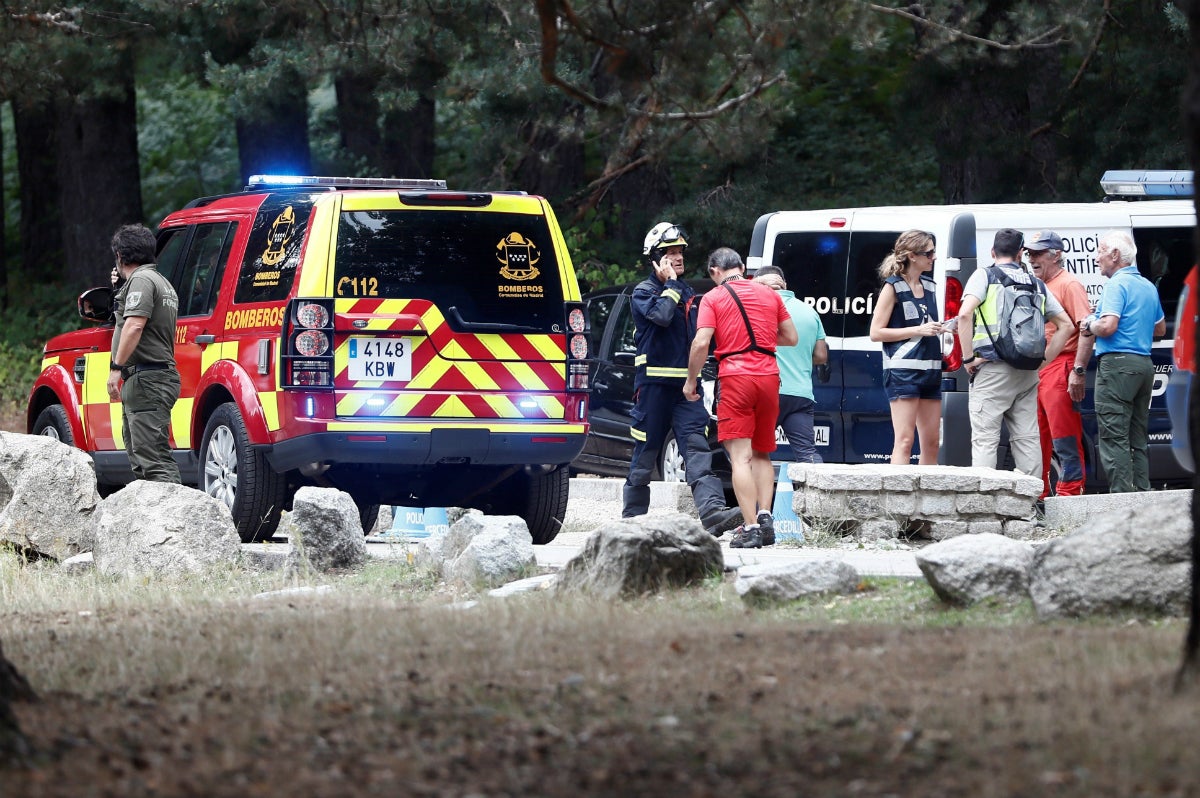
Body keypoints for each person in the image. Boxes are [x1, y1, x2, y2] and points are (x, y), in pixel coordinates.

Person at [622, 222, 741, 536]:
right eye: (670, 253)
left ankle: (713, 513)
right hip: (653, 389)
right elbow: (661, 317)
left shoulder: (687, 292)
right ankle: (632, 524)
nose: (677, 257)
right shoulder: (644, 291)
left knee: (697, 449)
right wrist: (672, 286)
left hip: (687, 390)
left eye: (680, 252)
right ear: (656, 260)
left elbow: (699, 337)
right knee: (645, 454)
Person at [684, 248, 797, 549]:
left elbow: (701, 342)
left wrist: (691, 380)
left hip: (735, 377)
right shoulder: (768, 294)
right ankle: (765, 516)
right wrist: (759, 340)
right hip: (770, 376)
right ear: (742, 267)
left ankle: (749, 529)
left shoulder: (713, 298)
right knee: (762, 452)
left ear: (714, 272)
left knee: (740, 457)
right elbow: (790, 337)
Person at [956, 228, 1073, 475]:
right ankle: (1029, 504)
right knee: (1027, 438)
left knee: (986, 438)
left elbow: (965, 314)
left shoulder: (985, 276)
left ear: (992, 252)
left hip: (991, 368)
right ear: (1021, 253)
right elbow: (1066, 325)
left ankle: (985, 505)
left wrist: (967, 358)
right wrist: (1044, 361)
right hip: (1026, 372)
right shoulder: (1036, 283)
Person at [1077, 230, 1166, 493]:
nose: (1096, 258)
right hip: (1144, 364)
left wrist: (1089, 323)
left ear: (1115, 255)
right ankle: (1142, 492)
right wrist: (1135, 328)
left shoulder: (1116, 284)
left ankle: (1122, 499)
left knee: (1114, 434)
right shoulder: (1148, 286)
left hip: (1117, 365)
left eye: (1101, 251)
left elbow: (1107, 326)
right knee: (1138, 435)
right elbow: (1160, 330)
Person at [106, 223, 182, 483]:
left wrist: (116, 368)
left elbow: (135, 324)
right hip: (150, 378)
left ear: (120, 256)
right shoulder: (159, 281)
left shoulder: (141, 280)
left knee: (154, 462)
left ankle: (175, 521)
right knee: (143, 458)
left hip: (149, 379)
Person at [868, 230, 947, 465]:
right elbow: (876, 333)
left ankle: (927, 500)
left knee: (932, 443)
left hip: (931, 371)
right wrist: (917, 331)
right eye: (929, 253)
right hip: (903, 373)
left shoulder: (930, 286)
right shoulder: (892, 287)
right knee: (904, 440)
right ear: (912, 256)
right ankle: (896, 499)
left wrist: (940, 328)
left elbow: (925, 324)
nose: (933, 257)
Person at [1026, 230, 1092, 499]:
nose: (1032, 259)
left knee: (1064, 436)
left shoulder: (1069, 285)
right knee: (1036, 437)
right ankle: (1038, 495)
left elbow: (1086, 328)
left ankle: (1070, 494)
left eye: (1038, 253)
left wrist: (1077, 371)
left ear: (1056, 255)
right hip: (1040, 369)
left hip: (1061, 365)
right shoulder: (1040, 284)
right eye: (1029, 253)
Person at [753, 266, 828, 463]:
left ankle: (757, 495)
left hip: (768, 392)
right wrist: (800, 357)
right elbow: (821, 355)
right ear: (784, 284)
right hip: (801, 395)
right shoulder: (809, 311)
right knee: (807, 453)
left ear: (759, 285)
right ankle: (821, 492)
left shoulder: (759, 309)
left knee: (756, 453)